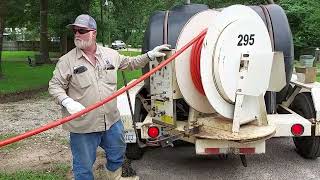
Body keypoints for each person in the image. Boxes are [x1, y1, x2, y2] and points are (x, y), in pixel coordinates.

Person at [48, 14, 169, 180]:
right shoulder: (66, 61)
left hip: (111, 121)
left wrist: (149, 56)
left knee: (117, 152)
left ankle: (114, 177)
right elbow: (55, 86)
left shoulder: (111, 55)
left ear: (94, 33)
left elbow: (130, 63)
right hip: (83, 126)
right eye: (75, 30)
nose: (77, 34)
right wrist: (67, 101)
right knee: (83, 167)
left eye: (82, 30)